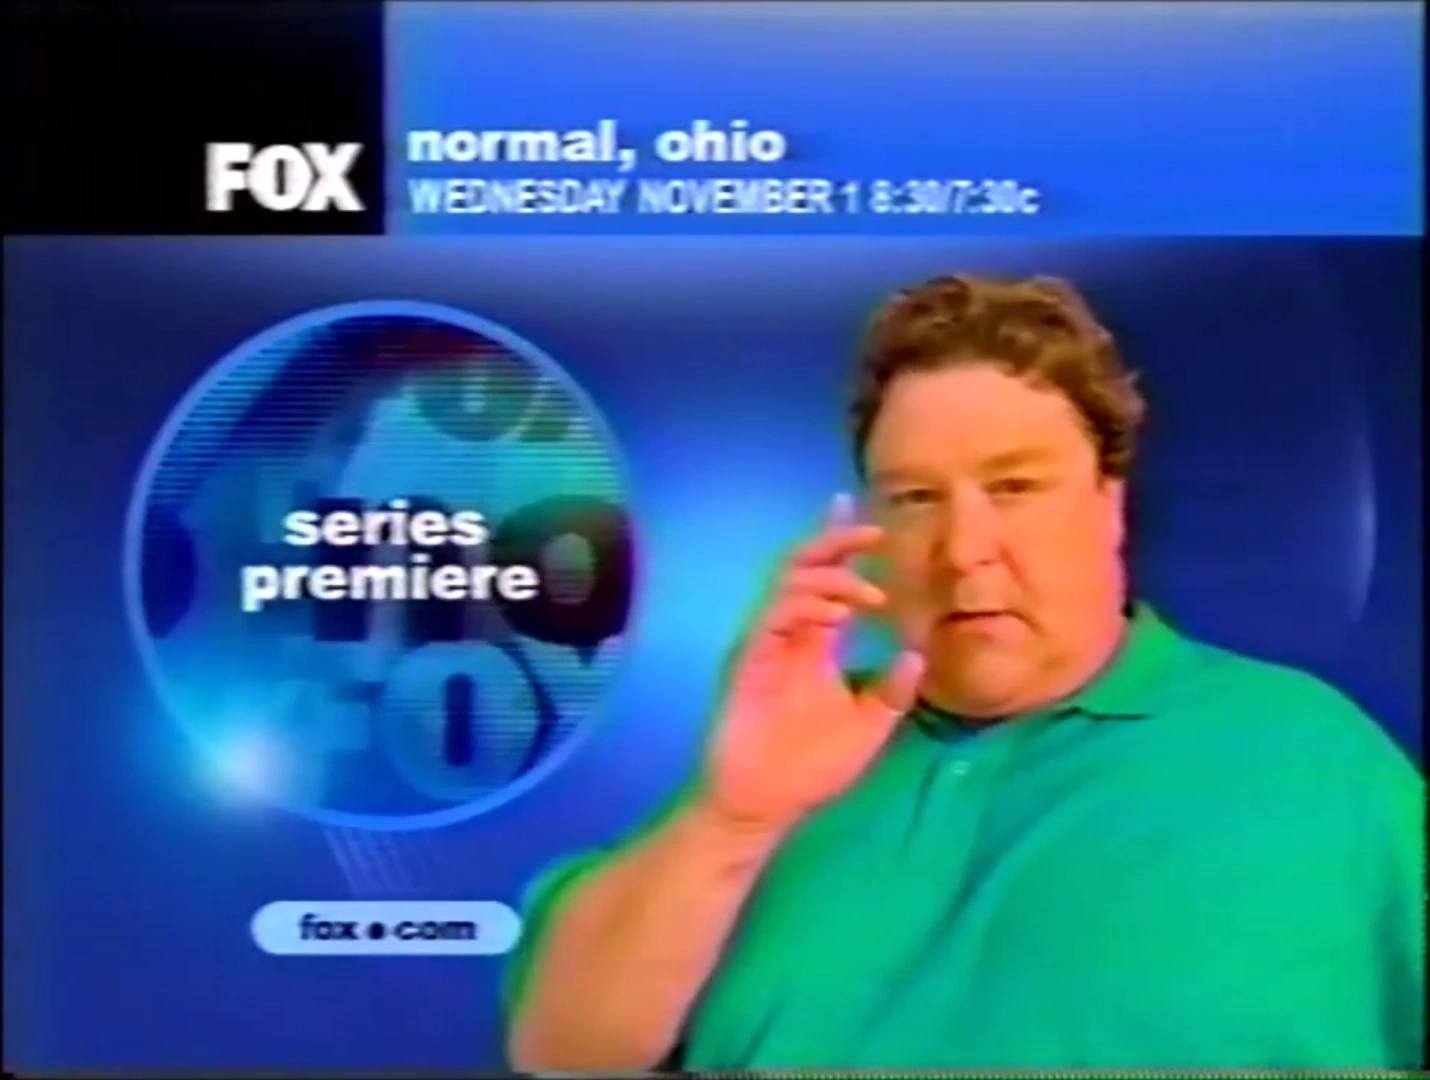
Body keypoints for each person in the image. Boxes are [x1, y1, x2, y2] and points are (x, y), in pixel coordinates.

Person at [502, 274, 1425, 1073]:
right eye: (915, 498)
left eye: (1014, 487)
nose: (963, 548)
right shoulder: (788, 760)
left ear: (1110, 503)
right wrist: (733, 823)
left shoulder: (1314, 759)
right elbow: (563, 1052)